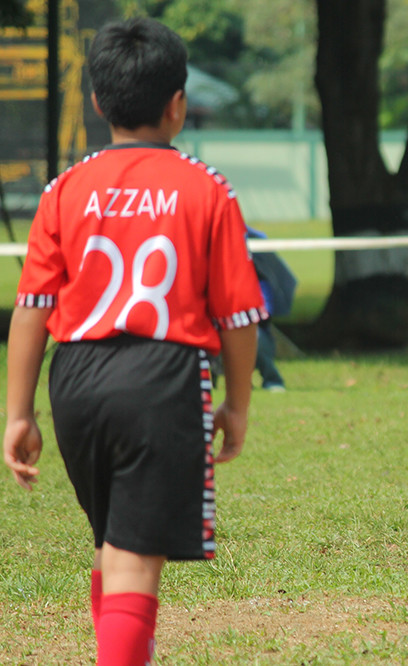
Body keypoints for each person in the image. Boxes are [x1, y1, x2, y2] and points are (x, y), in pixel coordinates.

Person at [2, 17, 266, 665]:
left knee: (113, 543)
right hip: (162, 379)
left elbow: (32, 308)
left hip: (76, 380)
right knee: (133, 562)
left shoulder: (63, 191)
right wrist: (237, 405)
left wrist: (17, 413)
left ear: (97, 102)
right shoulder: (207, 190)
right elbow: (239, 318)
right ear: (178, 105)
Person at [246, 227, 297, 392]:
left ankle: (272, 378)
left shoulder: (260, 279)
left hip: (253, 330)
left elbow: (265, 314)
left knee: (255, 336)